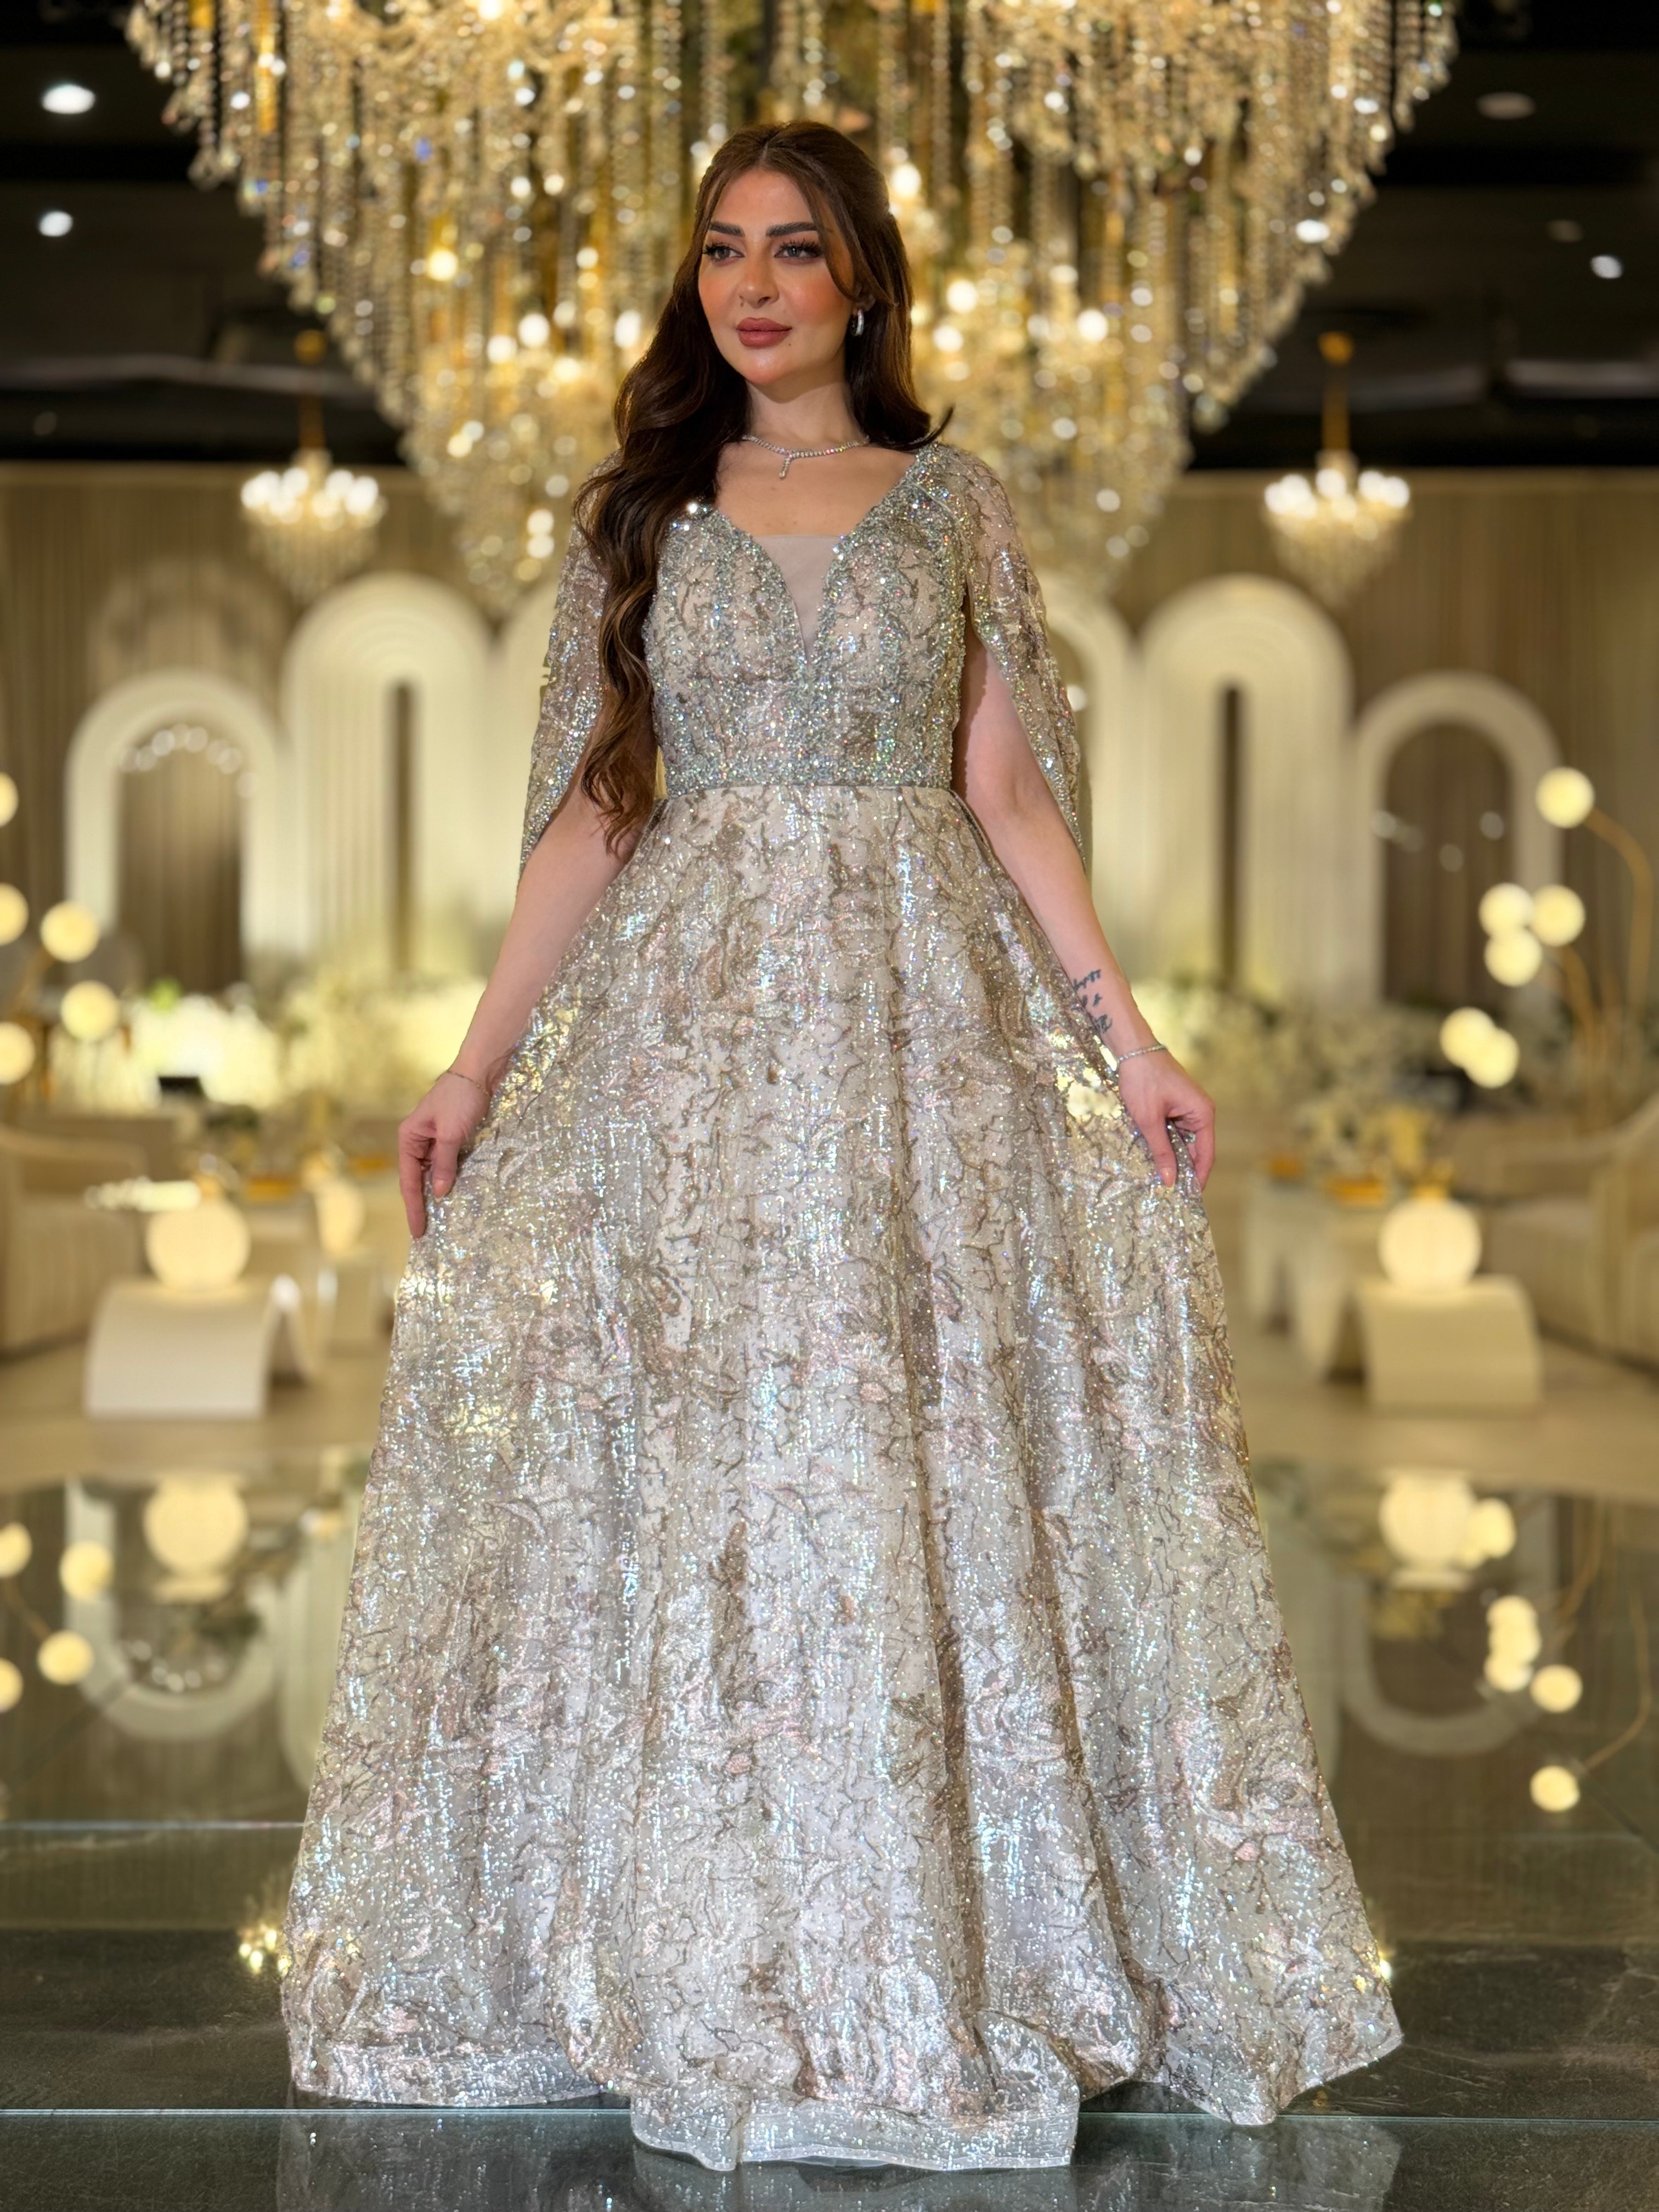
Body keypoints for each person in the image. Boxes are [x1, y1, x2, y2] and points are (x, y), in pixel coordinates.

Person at [283, 119, 1400, 2172]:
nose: (752, 284)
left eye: (793, 248)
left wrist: (1128, 1037)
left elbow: (1011, 795)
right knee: (709, 1453)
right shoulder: (643, 513)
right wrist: (472, 1069)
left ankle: (932, 1927)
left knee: (913, 1435)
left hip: (918, 1036)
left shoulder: (953, 508)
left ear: (861, 276)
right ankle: (700, 1932)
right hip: (693, 1047)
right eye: (722, 248)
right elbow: (595, 812)